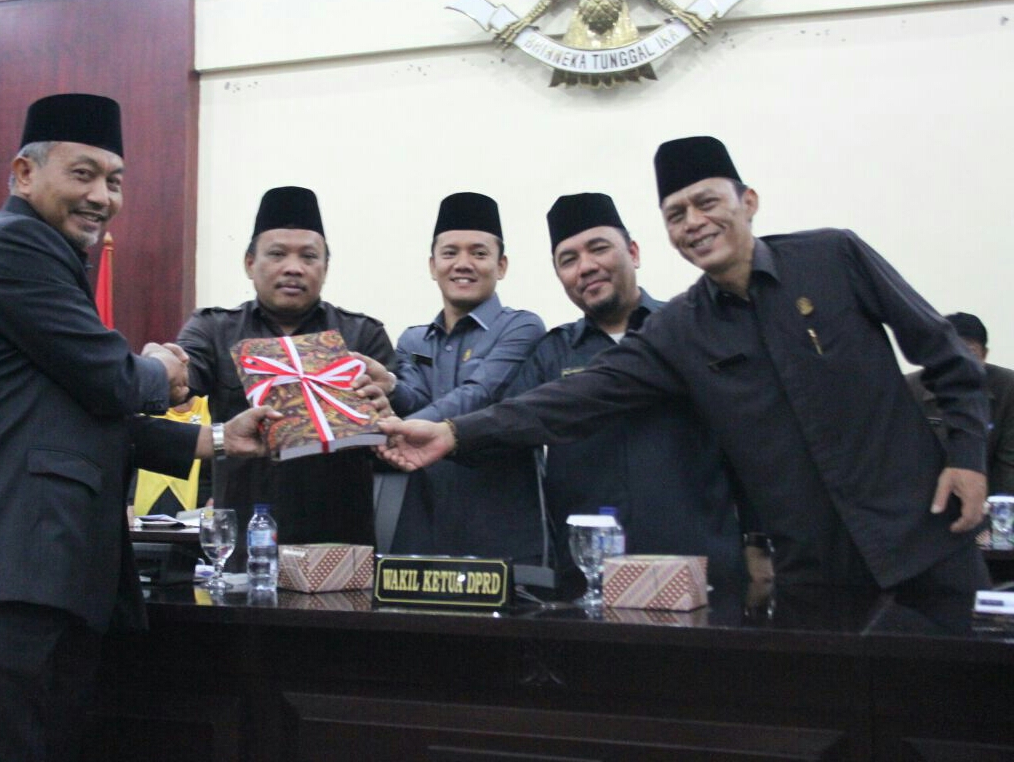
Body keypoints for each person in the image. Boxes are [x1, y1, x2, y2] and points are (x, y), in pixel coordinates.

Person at [379, 135, 990, 594]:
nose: (695, 223)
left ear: (747, 201)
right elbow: (569, 401)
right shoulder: (681, 330)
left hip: (920, 534)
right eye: (678, 213)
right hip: (809, 566)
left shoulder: (833, 256)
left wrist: (968, 457)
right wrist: (455, 431)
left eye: (707, 203)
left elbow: (944, 353)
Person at [0, 93, 275, 762]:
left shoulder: (41, 253)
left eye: (114, 181)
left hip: (19, 581)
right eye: (81, 174)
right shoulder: (12, 246)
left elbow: (62, 412)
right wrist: (159, 366)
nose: (101, 197)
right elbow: (111, 380)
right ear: (24, 174)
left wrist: (215, 438)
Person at [507, 192, 759, 587]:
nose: (586, 267)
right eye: (568, 260)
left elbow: (750, 440)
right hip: (586, 580)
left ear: (634, 252)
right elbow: (506, 426)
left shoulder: (694, 331)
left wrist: (758, 543)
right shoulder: (551, 353)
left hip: (703, 570)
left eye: (599, 248)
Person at [177, 186, 396, 546]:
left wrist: (388, 400)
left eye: (309, 257)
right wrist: (164, 363)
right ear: (250, 263)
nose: (293, 268)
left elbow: (392, 436)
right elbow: (181, 380)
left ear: (325, 268)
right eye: (277, 254)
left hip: (338, 542)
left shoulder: (362, 335)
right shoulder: (213, 329)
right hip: (243, 543)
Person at [385, 192, 545, 561]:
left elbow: (480, 393)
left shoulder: (522, 327)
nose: (463, 263)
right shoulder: (412, 339)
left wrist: (392, 429)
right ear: (432, 264)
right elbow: (420, 402)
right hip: (424, 513)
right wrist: (389, 385)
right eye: (450, 252)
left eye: (479, 252)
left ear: (501, 265)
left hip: (501, 515)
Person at [908, 313, 1014, 495]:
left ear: (984, 355)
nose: (960, 363)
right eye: (949, 353)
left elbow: (1009, 463)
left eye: (969, 352)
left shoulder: (1008, 388)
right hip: (924, 499)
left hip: (988, 497)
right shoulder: (910, 389)